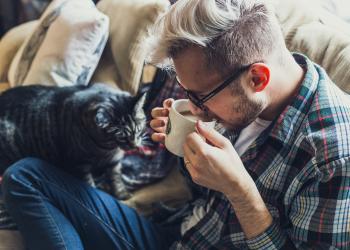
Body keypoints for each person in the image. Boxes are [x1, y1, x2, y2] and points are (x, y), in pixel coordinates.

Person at [1, 0, 350, 249]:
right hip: (182, 235)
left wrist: (242, 194)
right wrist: (185, 151)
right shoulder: (242, 100)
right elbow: (203, 196)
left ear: (257, 78)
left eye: (199, 96)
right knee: (24, 176)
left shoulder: (334, 156)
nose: (195, 106)